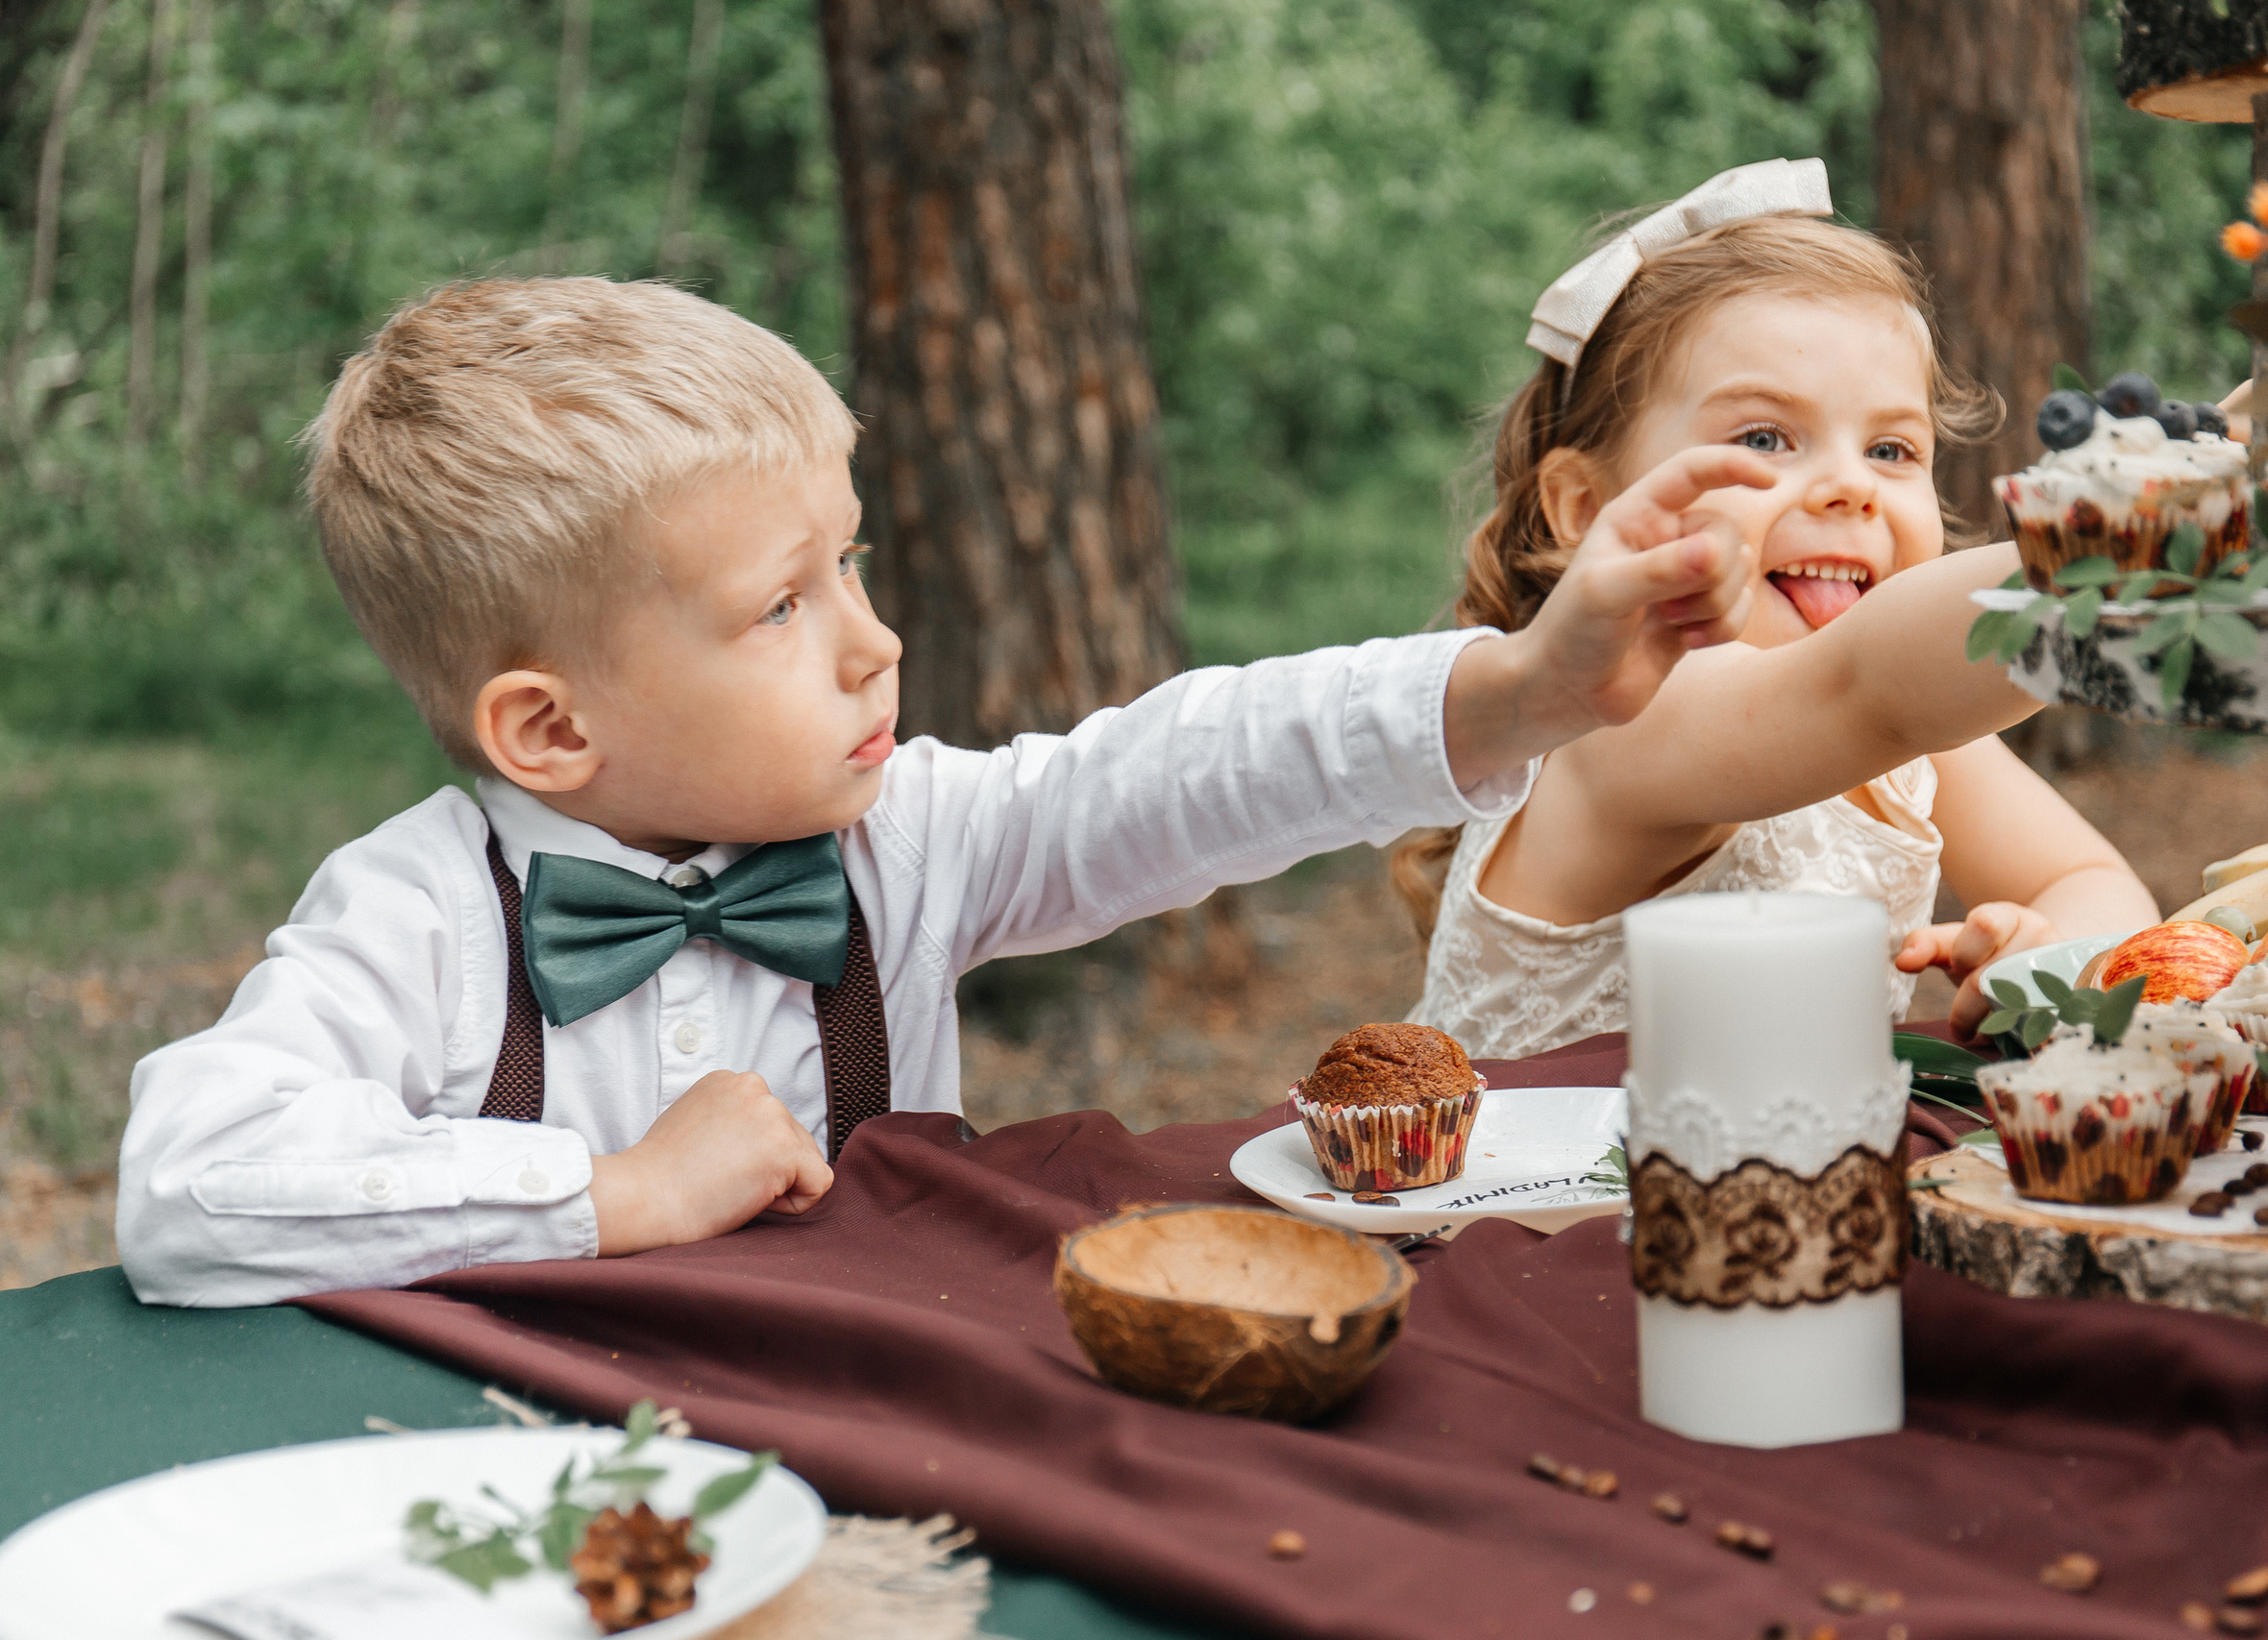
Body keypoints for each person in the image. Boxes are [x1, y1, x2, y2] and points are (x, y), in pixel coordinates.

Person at [119, 275, 1770, 1307]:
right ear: (549, 732)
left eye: (851, 568)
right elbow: (192, 1180)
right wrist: (604, 1193)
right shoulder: (416, 912)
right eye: (783, 606)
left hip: (895, 1436)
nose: (872, 643)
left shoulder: (897, 840)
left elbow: (1188, 770)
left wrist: (1526, 685)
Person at [1401, 159, 2157, 1061]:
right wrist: (2130, 530)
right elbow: (1864, 681)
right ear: (1583, 509)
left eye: (1890, 447)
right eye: (1764, 438)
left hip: (1781, 1184)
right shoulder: (1614, 716)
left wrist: (2048, 954)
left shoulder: (1913, 738)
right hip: (1554, 1200)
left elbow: (2095, 879)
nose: (1848, 487)